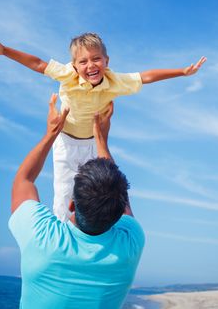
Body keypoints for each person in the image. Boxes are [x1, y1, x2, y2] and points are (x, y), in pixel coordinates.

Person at [0, 33, 207, 221]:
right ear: (74, 66)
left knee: (104, 192)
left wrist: (182, 72)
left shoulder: (116, 81)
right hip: (65, 140)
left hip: (94, 143)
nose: (91, 65)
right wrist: (4, 51)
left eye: (96, 59)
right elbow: (37, 64)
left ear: (107, 61)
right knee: (65, 192)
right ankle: (66, 235)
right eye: (83, 61)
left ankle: (100, 233)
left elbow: (145, 77)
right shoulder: (67, 75)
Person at [9, 94, 145, 309]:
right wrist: (101, 140)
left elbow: (23, 180)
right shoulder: (131, 243)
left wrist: (51, 134)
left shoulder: (42, 238)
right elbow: (119, 195)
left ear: (71, 204)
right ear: (120, 213)